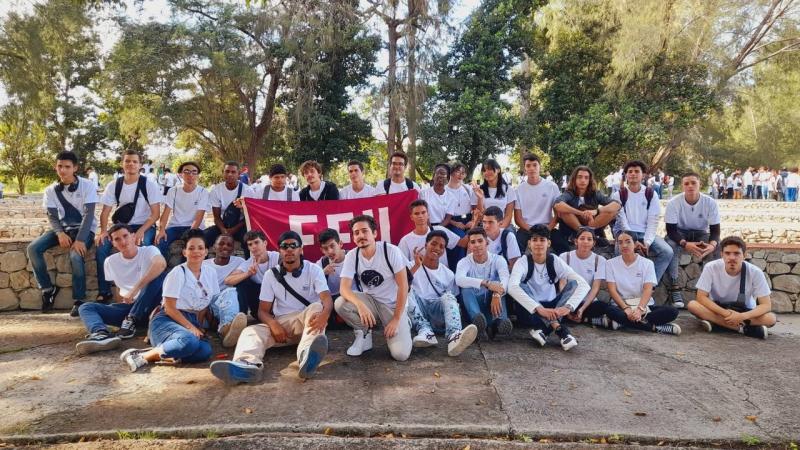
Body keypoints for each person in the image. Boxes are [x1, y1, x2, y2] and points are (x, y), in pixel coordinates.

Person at [210, 231, 333, 383]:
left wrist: (325, 315)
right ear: (279, 251)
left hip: (309, 322)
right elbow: (262, 310)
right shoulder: (271, 275)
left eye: (293, 246)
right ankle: (246, 366)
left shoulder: (313, 269)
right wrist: (273, 324)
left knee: (316, 307)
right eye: (284, 246)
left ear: (301, 250)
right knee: (250, 331)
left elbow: (326, 299)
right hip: (282, 327)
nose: (289, 249)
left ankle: (306, 356)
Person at [120, 229, 217, 371]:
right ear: (184, 252)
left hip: (191, 320)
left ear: (206, 251)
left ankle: (160, 352)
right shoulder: (178, 273)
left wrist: (198, 326)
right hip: (167, 320)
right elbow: (170, 308)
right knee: (189, 341)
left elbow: (204, 306)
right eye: (191, 248)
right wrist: (190, 328)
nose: (196, 252)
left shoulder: (210, 272)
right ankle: (141, 357)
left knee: (205, 351)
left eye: (200, 248)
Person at [74, 224, 166, 353]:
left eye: (125, 236)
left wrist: (134, 290)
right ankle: (101, 334)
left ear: (133, 236)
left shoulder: (149, 250)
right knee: (85, 307)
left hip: (150, 307)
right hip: (128, 310)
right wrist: (119, 304)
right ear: (112, 243)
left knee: (158, 276)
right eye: (117, 239)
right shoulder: (110, 262)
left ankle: (132, 319)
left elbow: (161, 264)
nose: (123, 241)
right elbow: (118, 287)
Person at [28, 151, 98, 316]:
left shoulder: (88, 185)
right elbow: (52, 216)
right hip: (63, 229)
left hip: (84, 229)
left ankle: (79, 300)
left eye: (67, 167)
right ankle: (47, 289)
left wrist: (80, 240)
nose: (63, 170)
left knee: (75, 255)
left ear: (75, 168)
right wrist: (59, 233)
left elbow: (89, 215)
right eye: (60, 166)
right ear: (55, 168)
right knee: (33, 248)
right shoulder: (50, 190)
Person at [335, 215, 413, 361]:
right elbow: (344, 289)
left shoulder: (390, 251)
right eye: (356, 233)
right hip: (370, 302)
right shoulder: (352, 255)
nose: (360, 236)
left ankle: (404, 320)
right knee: (340, 303)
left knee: (400, 355)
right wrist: (360, 306)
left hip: (392, 305)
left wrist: (396, 319)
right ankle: (364, 334)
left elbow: (403, 286)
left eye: (365, 231)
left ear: (375, 233)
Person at [95, 150, 163, 305]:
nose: (130, 164)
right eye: (127, 161)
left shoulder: (149, 185)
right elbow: (105, 212)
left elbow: (155, 214)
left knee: (144, 245)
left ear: (140, 165)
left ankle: (144, 291)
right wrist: (103, 231)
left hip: (144, 225)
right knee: (102, 247)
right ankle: (104, 292)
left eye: (134, 161)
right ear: (122, 164)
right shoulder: (114, 185)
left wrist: (140, 231)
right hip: (122, 226)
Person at [508, 225, 591, 350]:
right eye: (535, 240)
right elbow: (512, 287)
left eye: (542, 240)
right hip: (531, 311)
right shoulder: (522, 262)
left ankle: (544, 332)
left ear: (549, 243)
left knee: (574, 283)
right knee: (520, 284)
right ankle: (561, 331)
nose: (538, 244)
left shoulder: (554, 260)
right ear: (529, 243)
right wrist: (539, 308)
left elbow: (583, 284)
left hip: (554, 309)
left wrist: (568, 307)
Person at [687, 236, 776, 339]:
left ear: (744, 255)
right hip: (718, 309)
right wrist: (727, 314)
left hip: (744, 311)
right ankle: (742, 329)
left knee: (771, 319)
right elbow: (701, 297)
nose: (732, 258)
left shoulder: (755, 272)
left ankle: (717, 324)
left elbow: (766, 305)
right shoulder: (711, 267)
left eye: (737, 253)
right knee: (693, 305)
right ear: (721, 255)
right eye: (727, 253)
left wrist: (741, 317)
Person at [407, 231, 478, 356]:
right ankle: (425, 332)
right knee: (406, 290)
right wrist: (417, 266)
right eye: (433, 244)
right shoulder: (410, 266)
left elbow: (452, 301)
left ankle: (454, 336)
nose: (437, 248)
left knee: (449, 296)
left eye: (441, 246)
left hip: (437, 315)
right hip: (417, 312)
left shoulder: (448, 274)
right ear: (425, 245)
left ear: (444, 251)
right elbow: (400, 287)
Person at [604, 230, 681, 335]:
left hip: (644, 307)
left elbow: (648, 289)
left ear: (635, 244)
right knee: (609, 310)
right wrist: (626, 309)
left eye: (628, 241)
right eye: (620, 242)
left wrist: (639, 310)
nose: (624, 245)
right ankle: (655, 327)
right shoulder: (610, 264)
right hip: (621, 306)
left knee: (672, 311)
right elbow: (612, 290)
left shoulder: (647, 263)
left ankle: (622, 323)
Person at [611, 160, 673, 286]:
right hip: (626, 233)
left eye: (637, 171)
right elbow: (622, 220)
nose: (633, 174)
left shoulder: (650, 194)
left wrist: (647, 242)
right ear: (626, 175)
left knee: (667, 252)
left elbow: (653, 220)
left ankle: (650, 285)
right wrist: (632, 240)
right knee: (620, 253)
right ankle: (623, 288)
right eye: (630, 172)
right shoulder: (619, 195)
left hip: (645, 233)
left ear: (643, 175)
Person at [664, 172, 721, 308]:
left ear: (699, 184)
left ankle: (713, 291)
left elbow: (715, 232)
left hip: (701, 233)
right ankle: (675, 287)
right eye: (686, 183)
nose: (690, 186)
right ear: (682, 186)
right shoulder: (673, 203)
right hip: (679, 232)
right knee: (670, 245)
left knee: (717, 248)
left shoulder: (710, 202)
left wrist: (712, 246)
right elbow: (671, 231)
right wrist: (684, 244)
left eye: (693, 183)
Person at [456, 228, 512, 340]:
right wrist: (485, 283)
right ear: (469, 246)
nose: (476, 245)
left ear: (487, 242)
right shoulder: (464, 262)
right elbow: (459, 279)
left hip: (493, 305)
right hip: (474, 308)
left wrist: (497, 294)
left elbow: (505, 280)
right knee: (466, 289)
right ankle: (479, 323)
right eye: (472, 242)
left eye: (480, 241)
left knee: (499, 286)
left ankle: (497, 324)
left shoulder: (499, 260)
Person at [552, 165, 620, 252]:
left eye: (586, 178)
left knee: (611, 212)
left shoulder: (595, 194)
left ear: (589, 180)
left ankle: (590, 233)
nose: (583, 180)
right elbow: (557, 204)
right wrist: (580, 213)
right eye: (580, 177)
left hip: (592, 224)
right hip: (573, 228)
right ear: (574, 179)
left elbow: (617, 205)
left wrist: (596, 211)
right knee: (563, 211)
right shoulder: (569, 193)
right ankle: (582, 232)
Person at [558, 227, 615, 328]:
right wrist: (568, 306)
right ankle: (585, 319)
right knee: (554, 307)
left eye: (589, 239)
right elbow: (562, 284)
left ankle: (582, 317)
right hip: (568, 300)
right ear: (576, 241)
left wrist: (582, 309)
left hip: (587, 302)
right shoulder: (564, 257)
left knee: (602, 306)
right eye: (582, 238)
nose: (585, 242)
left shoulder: (599, 260)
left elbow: (595, 288)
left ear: (593, 243)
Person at [155, 161, 209, 259]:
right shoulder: (173, 191)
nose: (190, 175)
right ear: (180, 174)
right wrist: (162, 230)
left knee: (192, 246)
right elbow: (166, 212)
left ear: (197, 175)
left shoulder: (203, 192)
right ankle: (162, 267)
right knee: (160, 241)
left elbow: (199, 216)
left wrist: (190, 233)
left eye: (194, 172)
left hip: (195, 228)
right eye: (187, 171)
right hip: (175, 226)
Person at [202, 234, 248, 347]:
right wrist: (207, 312)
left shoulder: (239, 261)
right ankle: (228, 328)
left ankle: (226, 327)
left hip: (229, 302)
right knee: (229, 292)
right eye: (221, 244)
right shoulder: (204, 265)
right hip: (209, 303)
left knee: (231, 292)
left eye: (229, 245)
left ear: (233, 249)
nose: (225, 247)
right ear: (214, 247)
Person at [223, 230, 280, 319]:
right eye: (250, 244)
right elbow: (227, 280)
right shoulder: (249, 263)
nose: (253, 246)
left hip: (277, 300)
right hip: (259, 303)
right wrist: (248, 273)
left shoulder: (277, 257)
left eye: (256, 242)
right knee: (241, 281)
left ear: (265, 243)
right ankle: (241, 317)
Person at [204, 161, 255, 257]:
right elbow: (216, 217)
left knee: (250, 241)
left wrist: (233, 230)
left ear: (239, 174)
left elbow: (250, 216)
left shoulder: (248, 191)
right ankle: (203, 266)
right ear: (223, 173)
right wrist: (224, 230)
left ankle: (250, 266)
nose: (230, 174)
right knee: (203, 237)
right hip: (223, 225)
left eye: (233, 172)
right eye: (227, 171)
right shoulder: (216, 190)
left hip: (241, 226)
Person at [397, 200, 465, 271]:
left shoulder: (440, 230)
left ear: (428, 215)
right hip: (419, 280)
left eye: (423, 212)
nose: (420, 216)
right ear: (411, 217)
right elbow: (401, 267)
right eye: (417, 214)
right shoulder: (405, 240)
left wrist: (475, 222)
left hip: (443, 277)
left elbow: (464, 243)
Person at [514, 154, 560, 252]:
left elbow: (557, 215)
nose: (532, 168)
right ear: (525, 169)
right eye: (528, 166)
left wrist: (548, 229)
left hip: (547, 226)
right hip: (526, 228)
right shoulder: (519, 189)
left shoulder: (552, 186)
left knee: (563, 247)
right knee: (516, 248)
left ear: (540, 167)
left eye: (535, 165)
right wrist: (531, 230)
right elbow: (518, 219)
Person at [444, 162, 482, 273]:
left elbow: (475, 208)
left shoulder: (467, 188)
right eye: (458, 172)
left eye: (463, 173)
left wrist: (472, 221)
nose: (460, 175)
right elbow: (442, 214)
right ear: (451, 173)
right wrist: (455, 223)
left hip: (469, 220)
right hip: (452, 221)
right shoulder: (445, 190)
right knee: (461, 242)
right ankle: (457, 271)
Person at [478, 159, 515, 229]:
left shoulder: (508, 189)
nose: (487, 172)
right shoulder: (479, 190)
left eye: (489, 169)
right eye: (484, 170)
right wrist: (480, 198)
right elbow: (480, 214)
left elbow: (508, 215)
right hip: (485, 226)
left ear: (498, 170)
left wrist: (499, 230)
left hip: (504, 225)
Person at [316, 228, 346, 307]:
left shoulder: (353, 257)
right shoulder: (320, 264)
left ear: (340, 244)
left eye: (332, 246)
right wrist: (322, 273)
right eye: (325, 248)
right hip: (331, 301)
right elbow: (309, 288)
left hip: (353, 295)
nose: (330, 251)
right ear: (322, 250)